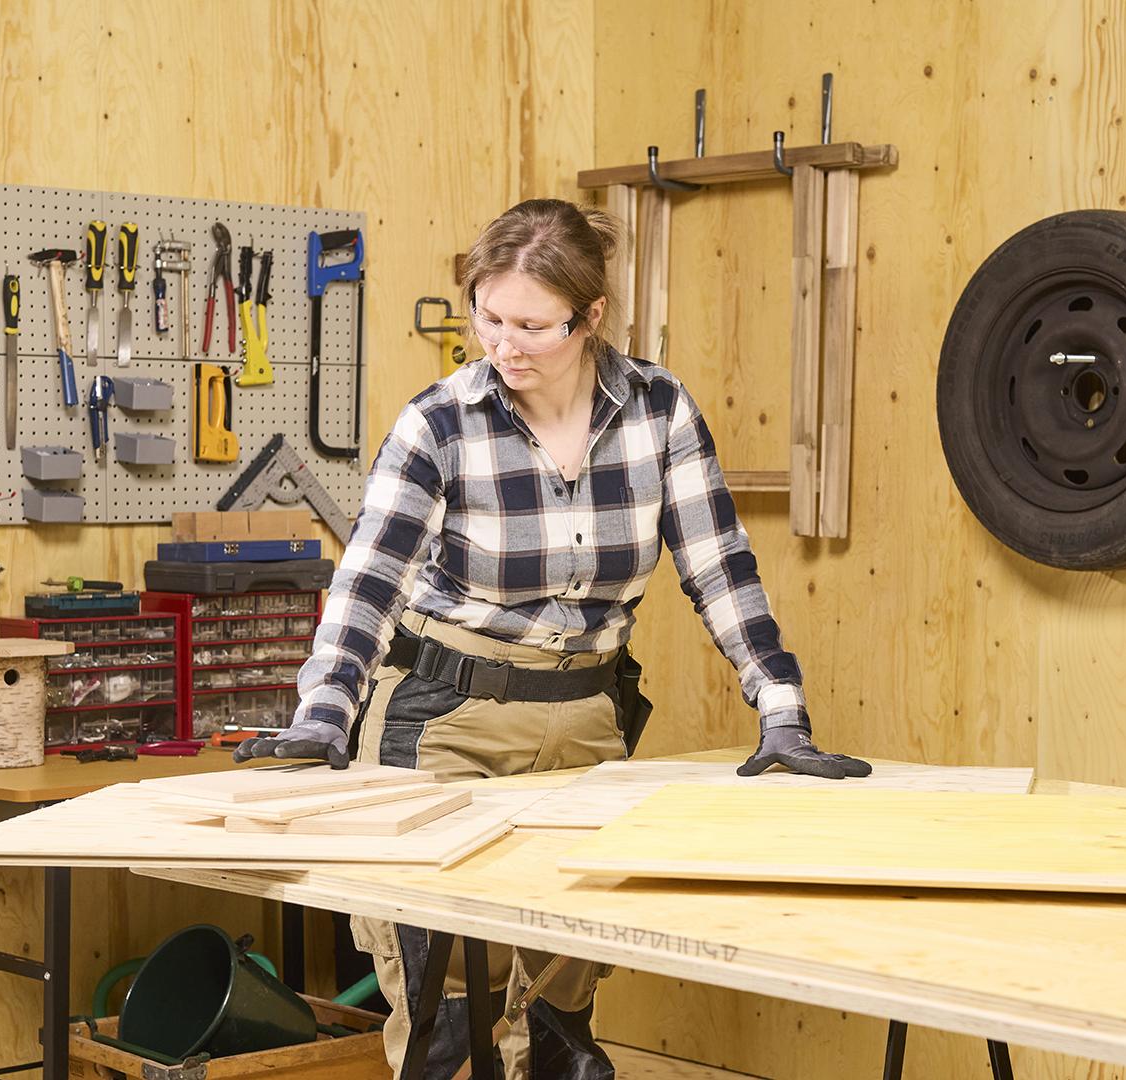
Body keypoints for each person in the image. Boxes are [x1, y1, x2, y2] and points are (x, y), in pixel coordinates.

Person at [234, 197, 870, 1079]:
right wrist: (322, 713)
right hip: (444, 719)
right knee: (447, 1000)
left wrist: (782, 710)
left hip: (583, 721)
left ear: (592, 317)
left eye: (533, 324)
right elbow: (369, 580)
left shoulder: (659, 411)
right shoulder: (439, 423)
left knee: (563, 994)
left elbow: (720, 568)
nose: (504, 344)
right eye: (487, 317)